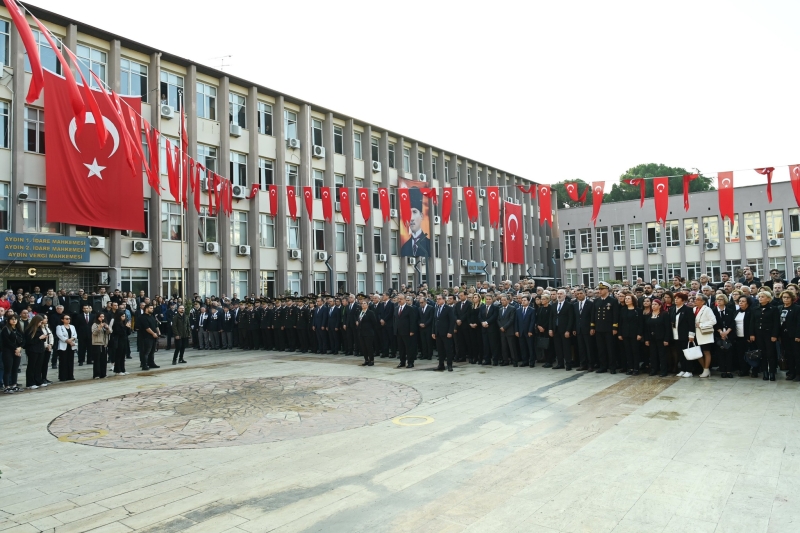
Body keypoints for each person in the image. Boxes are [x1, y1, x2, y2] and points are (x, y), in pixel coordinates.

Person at [592, 281, 620, 374]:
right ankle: (603, 366)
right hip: (599, 328)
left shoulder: (613, 301)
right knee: (601, 348)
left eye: (601, 289)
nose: (599, 291)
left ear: (607, 289)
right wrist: (592, 326)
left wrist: (615, 328)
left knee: (610, 348)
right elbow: (593, 315)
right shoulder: (596, 301)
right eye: (599, 289)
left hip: (609, 329)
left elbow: (615, 315)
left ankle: (612, 367)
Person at [753, 291, 780, 381]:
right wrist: (751, 334)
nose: (760, 298)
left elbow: (776, 323)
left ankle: (772, 372)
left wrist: (774, 335)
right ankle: (765, 372)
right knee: (762, 353)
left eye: (763, 296)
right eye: (759, 296)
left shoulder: (773, 309)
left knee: (770, 353)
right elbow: (752, 322)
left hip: (769, 334)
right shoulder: (755, 308)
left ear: (768, 299)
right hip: (759, 334)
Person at [670, 292, 696, 378]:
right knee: (679, 353)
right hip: (676, 335)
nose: (676, 300)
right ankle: (683, 369)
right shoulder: (673, 309)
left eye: (678, 298)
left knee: (687, 353)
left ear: (683, 300)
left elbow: (691, 323)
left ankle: (689, 370)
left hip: (685, 335)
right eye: (675, 298)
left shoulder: (687, 309)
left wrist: (691, 335)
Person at [399, 188, 430, 257]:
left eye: (414, 212)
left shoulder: (429, 244)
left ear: (421, 215)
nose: (411, 218)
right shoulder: (404, 248)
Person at [549, 289, 575, 370]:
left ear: (564, 295)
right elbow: (551, 318)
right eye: (558, 294)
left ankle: (568, 364)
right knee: (558, 347)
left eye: (561, 294)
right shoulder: (554, 305)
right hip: (556, 329)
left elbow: (571, 319)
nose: (559, 295)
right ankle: (560, 363)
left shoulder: (569, 305)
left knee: (566, 348)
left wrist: (568, 330)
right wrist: (550, 329)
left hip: (564, 330)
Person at [644, 299, 671, 376]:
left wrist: (666, 339)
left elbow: (667, 327)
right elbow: (646, 328)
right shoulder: (649, 315)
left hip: (661, 338)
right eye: (652, 304)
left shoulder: (664, 314)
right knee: (653, 355)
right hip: (651, 338)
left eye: (655, 304)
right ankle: (654, 369)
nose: (653, 306)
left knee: (662, 355)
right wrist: (646, 339)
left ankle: (663, 371)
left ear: (660, 306)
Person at [693, 294, 717, 378]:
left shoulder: (707, 309)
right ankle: (704, 368)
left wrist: (701, 325)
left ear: (703, 301)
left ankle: (706, 369)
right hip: (696, 334)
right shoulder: (694, 309)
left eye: (698, 299)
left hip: (704, 333)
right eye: (695, 299)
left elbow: (713, 321)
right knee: (698, 353)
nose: (695, 300)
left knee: (706, 351)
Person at [618, 295, 642, 375]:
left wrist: (639, 333)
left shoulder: (638, 310)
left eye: (628, 299)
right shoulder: (623, 310)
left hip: (634, 334)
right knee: (627, 351)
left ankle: (636, 368)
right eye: (626, 299)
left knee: (635, 351)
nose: (626, 300)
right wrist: (620, 333)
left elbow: (640, 324)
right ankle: (630, 367)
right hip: (625, 333)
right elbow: (620, 322)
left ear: (633, 300)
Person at [573, 288, 595, 371]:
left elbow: (592, 316)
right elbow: (575, 318)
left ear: (585, 294)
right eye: (577, 294)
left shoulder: (590, 304)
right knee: (581, 348)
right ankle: (583, 364)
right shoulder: (575, 304)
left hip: (587, 329)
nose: (579, 295)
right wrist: (574, 328)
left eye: (581, 293)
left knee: (589, 348)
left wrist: (592, 327)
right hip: (579, 329)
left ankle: (591, 365)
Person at [714, 294, 736, 378]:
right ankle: (723, 370)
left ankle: (729, 370)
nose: (719, 301)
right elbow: (714, 323)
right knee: (720, 353)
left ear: (725, 301)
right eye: (717, 299)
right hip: (718, 334)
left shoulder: (730, 311)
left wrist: (727, 332)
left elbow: (732, 322)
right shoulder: (714, 311)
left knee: (729, 353)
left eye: (721, 299)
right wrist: (720, 332)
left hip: (729, 334)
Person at [394, 294, 419, 369]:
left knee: (409, 347)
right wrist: (395, 329)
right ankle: (402, 362)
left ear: (405, 300)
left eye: (401, 299)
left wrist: (412, 330)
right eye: (398, 299)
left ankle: (410, 362)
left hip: (407, 331)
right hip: (399, 331)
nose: (399, 300)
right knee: (401, 348)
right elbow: (395, 320)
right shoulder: (396, 308)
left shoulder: (409, 308)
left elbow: (412, 320)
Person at [432, 294, 455, 371]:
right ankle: (441, 365)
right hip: (438, 333)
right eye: (437, 299)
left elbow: (452, 321)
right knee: (440, 350)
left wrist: (450, 332)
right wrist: (433, 332)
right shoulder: (436, 308)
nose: (437, 300)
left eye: (439, 299)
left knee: (448, 350)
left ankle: (449, 365)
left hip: (446, 333)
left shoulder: (448, 308)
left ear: (444, 300)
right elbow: (434, 320)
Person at [2, 315, 25, 393]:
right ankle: (7, 386)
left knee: (15, 369)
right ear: (8, 320)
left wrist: (20, 348)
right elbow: (6, 341)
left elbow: (23, 340)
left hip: (17, 350)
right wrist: (15, 348)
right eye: (12, 319)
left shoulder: (18, 329)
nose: (14, 321)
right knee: (8, 369)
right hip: (8, 351)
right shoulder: (6, 329)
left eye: (15, 319)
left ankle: (14, 385)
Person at [25, 315, 48, 389]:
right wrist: (39, 338)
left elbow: (41, 339)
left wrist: (44, 337)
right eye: (39, 322)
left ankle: (38, 381)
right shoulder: (29, 329)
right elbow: (29, 341)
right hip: (32, 350)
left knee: (39, 366)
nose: (40, 324)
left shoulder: (39, 328)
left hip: (40, 349)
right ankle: (30, 383)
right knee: (32, 366)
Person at [355, 299, 378, 366]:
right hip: (361, 332)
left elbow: (374, 322)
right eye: (362, 303)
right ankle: (366, 360)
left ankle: (371, 360)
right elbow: (358, 320)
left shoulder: (370, 313)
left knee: (369, 347)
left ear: (367, 305)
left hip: (368, 332)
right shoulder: (360, 312)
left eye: (365, 303)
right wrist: (357, 322)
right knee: (363, 347)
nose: (363, 305)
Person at [138, 304, 160, 371]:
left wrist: (158, 332)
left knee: (152, 351)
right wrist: (153, 333)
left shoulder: (152, 316)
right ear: (146, 309)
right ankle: (144, 365)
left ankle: (151, 363)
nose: (152, 309)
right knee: (146, 351)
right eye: (151, 308)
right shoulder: (142, 317)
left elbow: (156, 325)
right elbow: (146, 328)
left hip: (153, 336)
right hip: (145, 337)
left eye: (152, 308)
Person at [479, 293, 499, 365]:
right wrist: (482, 322)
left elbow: (494, 316)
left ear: (492, 300)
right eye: (487, 299)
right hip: (484, 329)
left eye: (489, 299)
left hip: (492, 329)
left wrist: (487, 322)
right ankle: (487, 360)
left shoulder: (495, 307)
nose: (488, 300)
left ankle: (495, 360)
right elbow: (480, 316)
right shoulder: (482, 307)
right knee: (486, 345)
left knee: (493, 345)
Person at [55, 314, 77, 382]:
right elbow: (60, 335)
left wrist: (71, 340)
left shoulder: (72, 326)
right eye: (66, 319)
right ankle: (63, 376)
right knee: (63, 361)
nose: (68, 320)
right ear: (62, 320)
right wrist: (68, 341)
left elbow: (75, 335)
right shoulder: (59, 327)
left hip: (71, 346)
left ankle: (70, 375)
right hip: (63, 345)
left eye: (69, 318)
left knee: (70, 361)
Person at [498, 295, 518, 366]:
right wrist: (501, 327)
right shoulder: (500, 309)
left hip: (509, 330)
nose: (502, 301)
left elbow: (511, 319)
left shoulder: (512, 308)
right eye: (501, 300)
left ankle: (514, 361)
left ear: (508, 301)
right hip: (502, 331)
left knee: (512, 347)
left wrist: (505, 327)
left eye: (504, 300)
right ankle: (505, 360)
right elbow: (498, 319)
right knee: (504, 347)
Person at [515, 296, 536, 368]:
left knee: (530, 347)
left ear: (528, 301)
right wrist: (517, 330)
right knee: (523, 347)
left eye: (525, 300)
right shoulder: (518, 310)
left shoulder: (532, 310)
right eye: (522, 300)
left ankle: (532, 362)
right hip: (520, 331)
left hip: (528, 331)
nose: (523, 301)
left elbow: (532, 321)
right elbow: (516, 321)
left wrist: (530, 330)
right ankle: (525, 361)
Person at [91, 314, 110, 379]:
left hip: (104, 344)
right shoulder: (94, 324)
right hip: (97, 344)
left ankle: (103, 374)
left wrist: (107, 328)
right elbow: (94, 333)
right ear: (97, 318)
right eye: (100, 317)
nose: (102, 318)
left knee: (104, 360)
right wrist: (99, 328)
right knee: (97, 360)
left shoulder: (105, 324)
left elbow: (110, 332)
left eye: (103, 316)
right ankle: (96, 374)